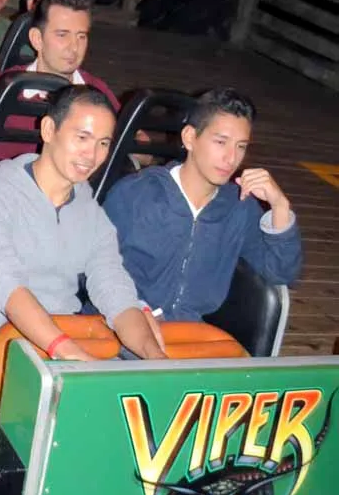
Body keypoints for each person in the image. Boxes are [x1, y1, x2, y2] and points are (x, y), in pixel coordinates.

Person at [0, 84, 167, 409]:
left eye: (103, 143)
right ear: (48, 130)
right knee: (84, 413)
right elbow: (7, 288)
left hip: (70, 343)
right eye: (82, 137)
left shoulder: (92, 215)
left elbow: (115, 290)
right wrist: (67, 351)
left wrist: (156, 358)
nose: (92, 155)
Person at [103, 87, 302, 323]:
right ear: (189, 138)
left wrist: (280, 206)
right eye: (221, 142)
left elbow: (281, 272)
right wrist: (134, 312)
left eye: (241, 146)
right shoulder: (135, 194)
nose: (231, 158)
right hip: (122, 323)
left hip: (190, 334)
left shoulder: (239, 207)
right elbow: (93, 268)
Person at [0, 0, 120, 117]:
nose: (74, 47)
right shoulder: (3, 90)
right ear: (37, 39)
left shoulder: (98, 93)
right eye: (62, 35)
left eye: (81, 36)